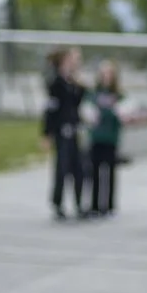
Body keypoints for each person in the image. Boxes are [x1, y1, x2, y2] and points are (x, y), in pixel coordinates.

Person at [42, 47, 88, 221]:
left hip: (75, 129)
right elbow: (50, 110)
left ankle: (79, 203)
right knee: (62, 168)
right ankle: (57, 203)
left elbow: (79, 102)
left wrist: (78, 83)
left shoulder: (75, 83)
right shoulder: (56, 83)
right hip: (62, 131)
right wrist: (46, 133)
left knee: (79, 169)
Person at [86, 60, 124, 217]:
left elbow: (123, 113)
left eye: (109, 74)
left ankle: (109, 205)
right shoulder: (94, 94)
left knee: (110, 172)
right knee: (94, 172)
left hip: (111, 138)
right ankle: (94, 205)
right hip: (96, 137)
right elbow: (88, 111)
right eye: (103, 74)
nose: (106, 77)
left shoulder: (118, 95)